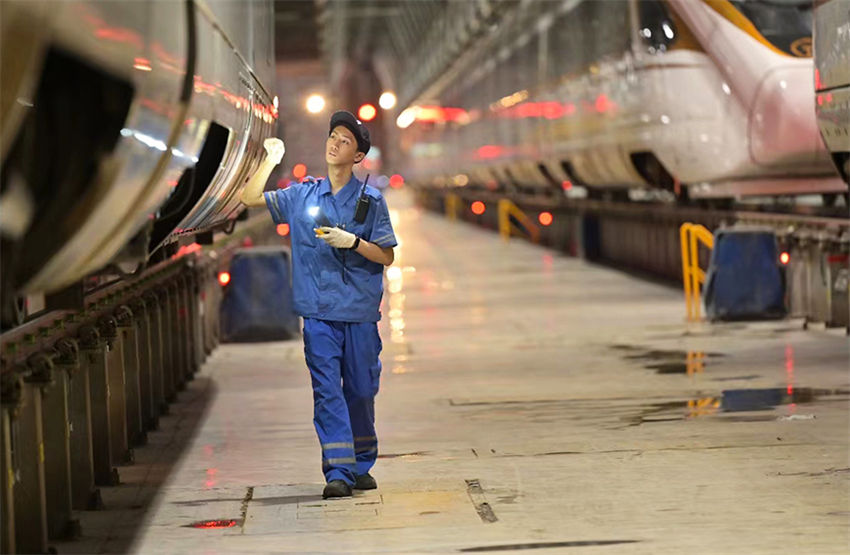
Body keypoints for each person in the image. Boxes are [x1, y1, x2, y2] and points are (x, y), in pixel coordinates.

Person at [240, 111, 397, 499]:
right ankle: (338, 471)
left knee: (360, 390)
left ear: (358, 156)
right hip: (318, 314)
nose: (333, 143)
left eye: (344, 140)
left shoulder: (371, 201)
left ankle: (361, 462)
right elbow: (249, 197)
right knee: (327, 390)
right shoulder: (302, 195)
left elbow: (387, 256)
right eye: (332, 136)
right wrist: (268, 161)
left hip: (359, 313)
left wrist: (354, 243)